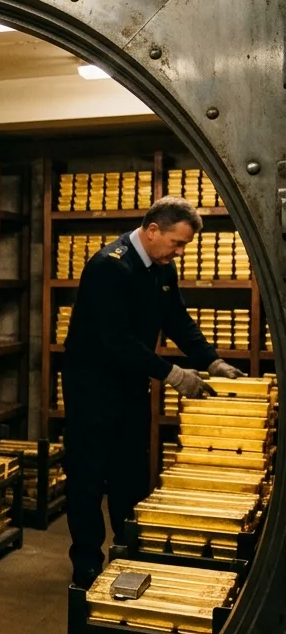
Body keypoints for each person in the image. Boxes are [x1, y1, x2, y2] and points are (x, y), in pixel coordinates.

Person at [61, 196, 244, 588]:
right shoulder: (108, 267)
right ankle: (87, 566)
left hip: (130, 387)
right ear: (153, 229)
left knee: (130, 475)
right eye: (177, 244)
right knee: (88, 480)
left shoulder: (161, 268)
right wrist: (173, 374)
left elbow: (176, 318)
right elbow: (117, 340)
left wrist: (210, 360)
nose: (179, 253)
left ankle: (127, 553)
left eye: (184, 247)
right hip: (92, 389)